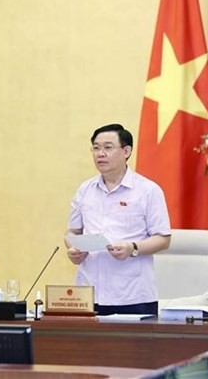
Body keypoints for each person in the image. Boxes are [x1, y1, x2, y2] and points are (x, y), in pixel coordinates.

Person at [64, 123, 171, 316]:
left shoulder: (148, 190)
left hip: (133, 295)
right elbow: (72, 231)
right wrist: (72, 249)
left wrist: (133, 248)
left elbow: (163, 239)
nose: (100, 154)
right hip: (88, 293)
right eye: (96, 148)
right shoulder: (85, 190)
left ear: (126, 151)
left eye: (107, 147)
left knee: (133, 347)